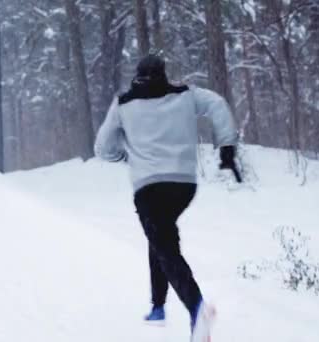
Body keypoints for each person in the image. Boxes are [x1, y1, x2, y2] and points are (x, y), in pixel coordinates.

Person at [94, 54, 238, 341]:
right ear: (163, 73)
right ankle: (158, 305)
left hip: (149, 188)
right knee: (161, 238)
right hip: (183, 186)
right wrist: (226, 146)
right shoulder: (185, 95)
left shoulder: (123, 103)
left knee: (165, 246)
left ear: (138, 74)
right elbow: (218, 105)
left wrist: (123, 155)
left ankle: (197, 309)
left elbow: (102, 148)